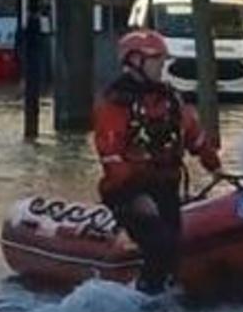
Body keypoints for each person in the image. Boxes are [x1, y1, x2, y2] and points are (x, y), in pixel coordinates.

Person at [93, 29, 221, 295]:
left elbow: (195, 137)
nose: (161, 67)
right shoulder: (115, 104)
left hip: (165, 187)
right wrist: (135, 193)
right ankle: (146, 298)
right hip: (128, 191)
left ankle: (168, 293)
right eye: (156, 61)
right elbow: (111, 156)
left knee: (174, 246)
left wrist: (215, 167)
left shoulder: (170, 100)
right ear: (135, 61)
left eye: (162, 61)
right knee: (160, 243)